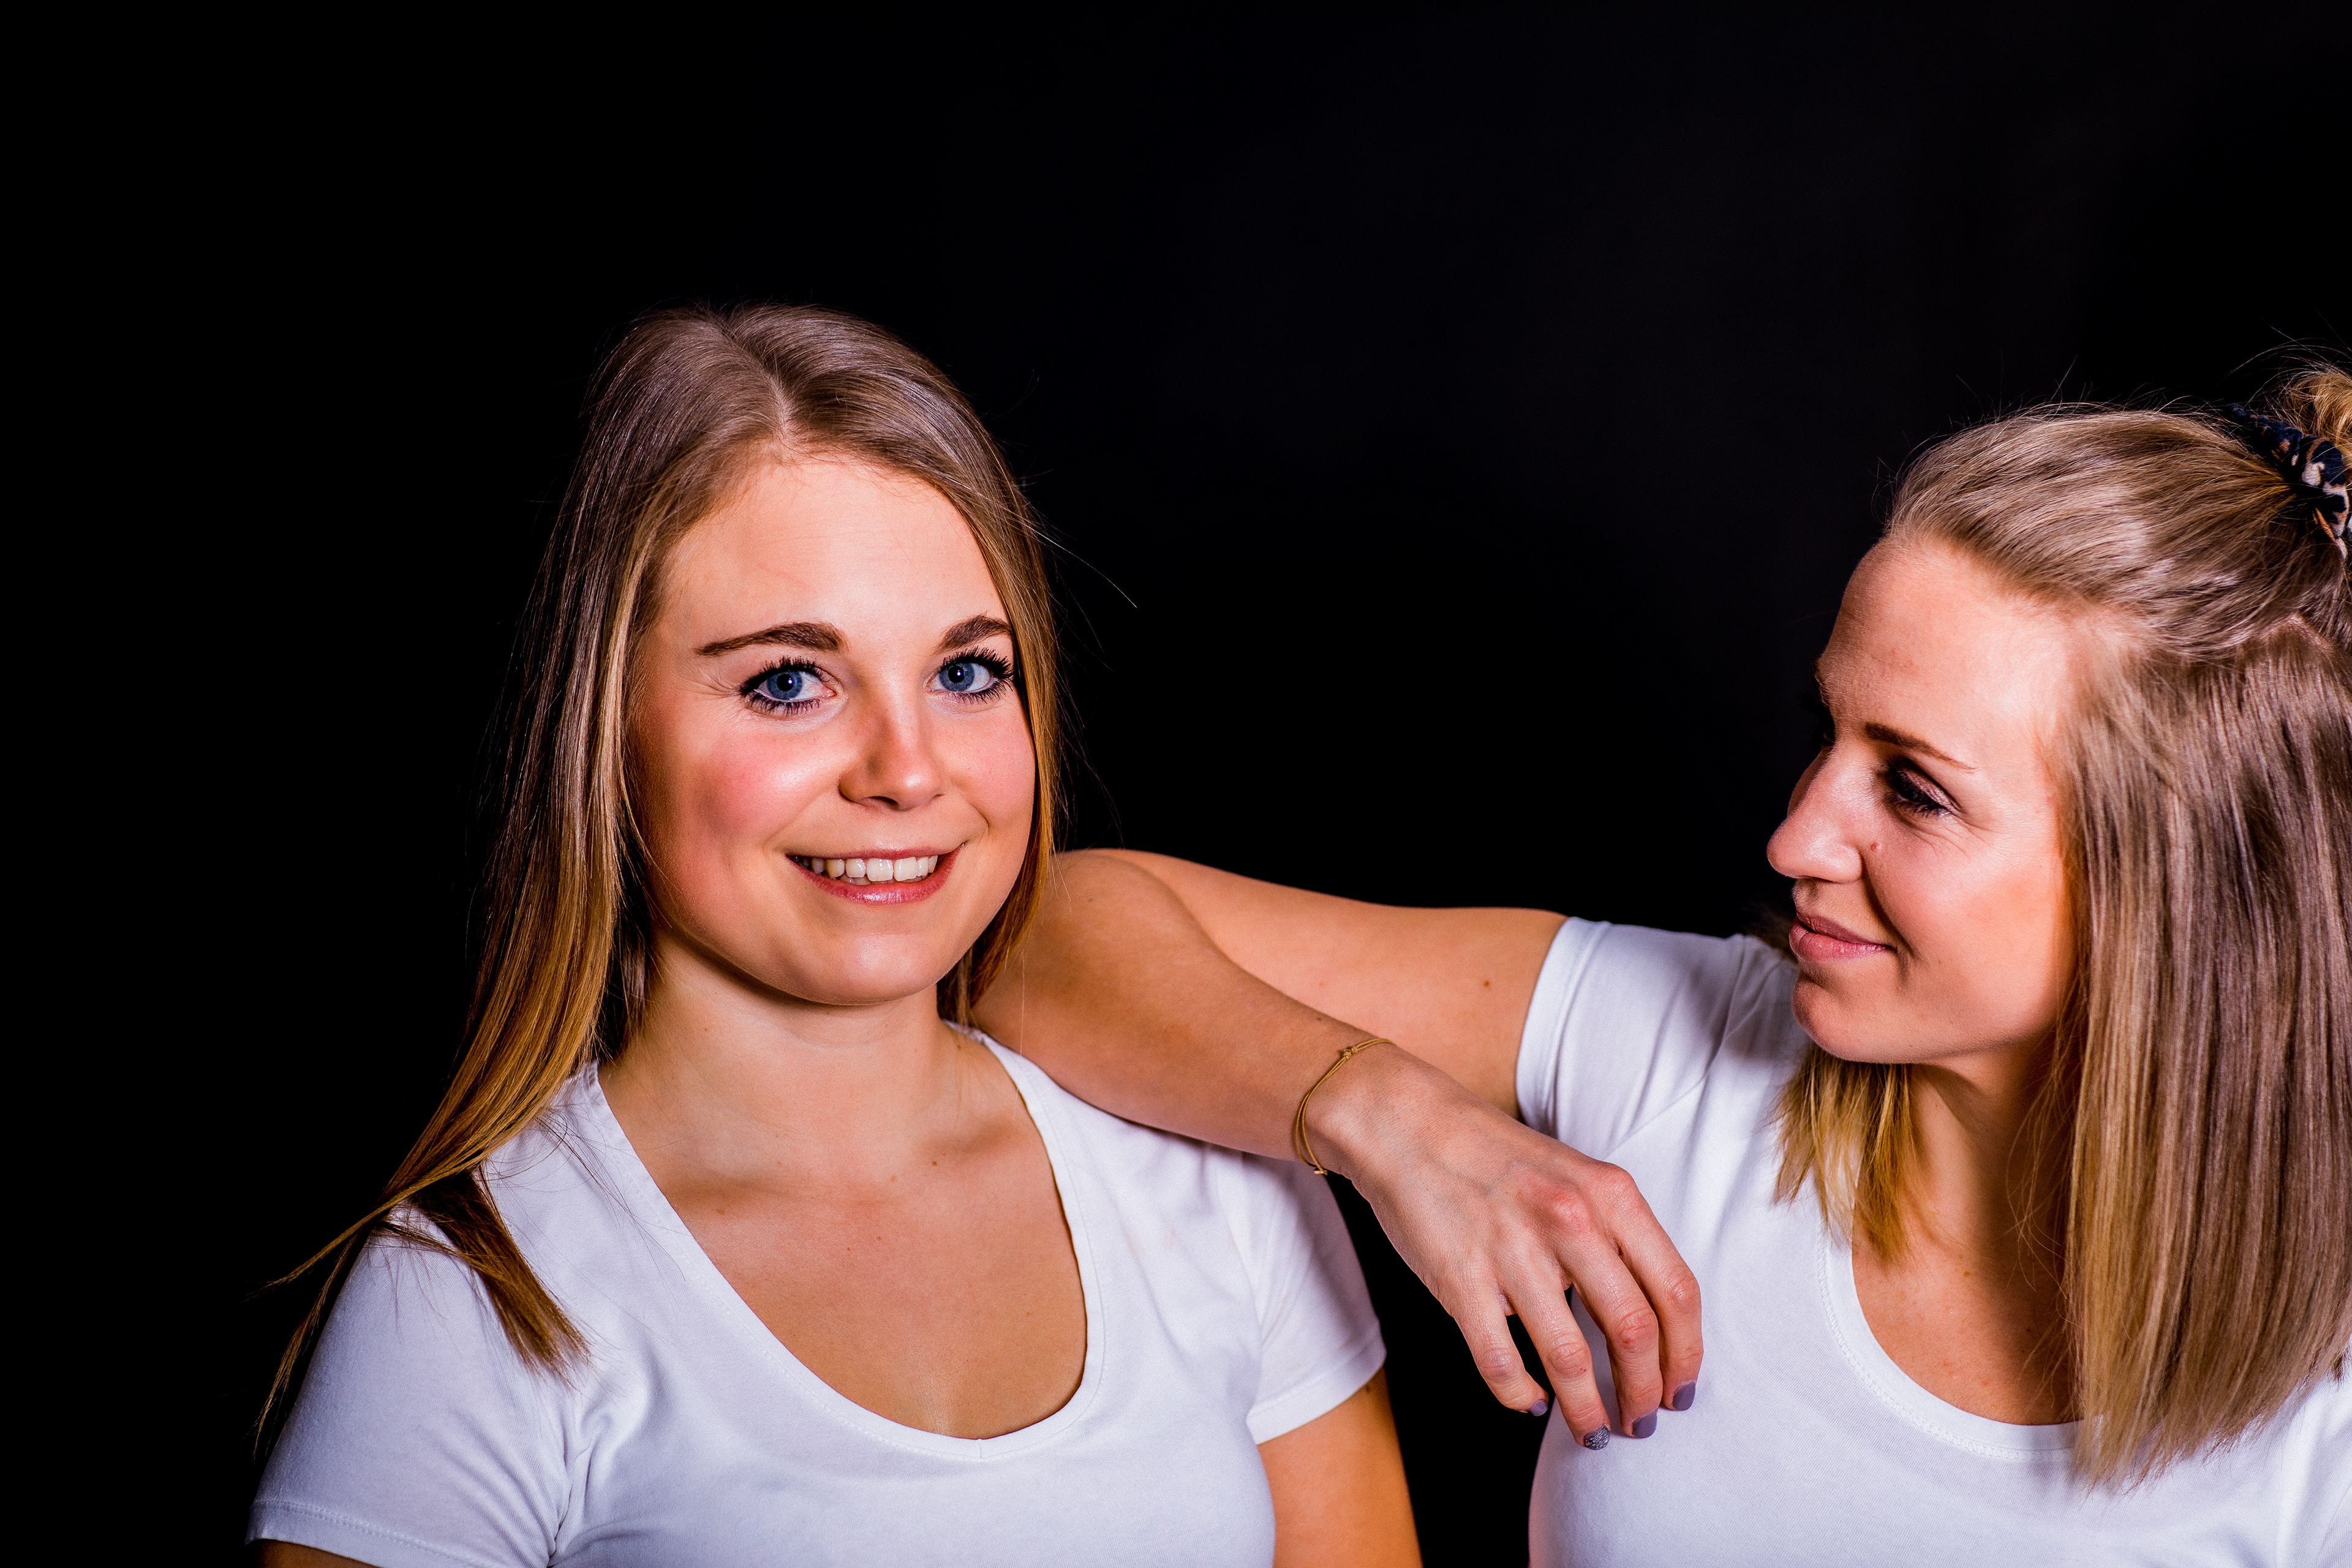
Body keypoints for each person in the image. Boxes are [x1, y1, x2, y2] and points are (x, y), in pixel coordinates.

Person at [974, 373, 2352, 1562]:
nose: (1796, 837)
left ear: (2178, 885)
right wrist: (1394, 1117)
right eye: (1828, 732)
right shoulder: (1679, 1053)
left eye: (1915, 790)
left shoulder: (2324, 1439)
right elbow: (1038, 932)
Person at [250, 305, 1418, 1568]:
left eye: (966, 672)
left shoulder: (1221, 1184)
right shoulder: (474, 1293)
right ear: (605, 727)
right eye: (788, 682)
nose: (907, 771)